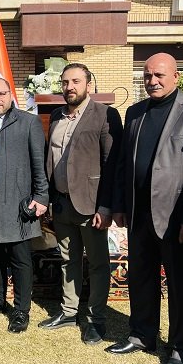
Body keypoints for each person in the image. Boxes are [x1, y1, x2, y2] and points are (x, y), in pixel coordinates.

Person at [107, 53, 183, 364]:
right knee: (141, 279)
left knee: (181, 287)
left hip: (176, 220)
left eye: (159, 75)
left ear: (176, 76)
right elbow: (124, 164)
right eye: (147, 75)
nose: (152, 81)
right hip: (140, 215)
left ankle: (182, 350)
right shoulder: (136, 112)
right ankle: (142, 335)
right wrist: (119, 206)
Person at [39, 63, 122, 345]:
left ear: (89, 84)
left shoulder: (105, 115)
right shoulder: (56, 115)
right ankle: (69, 311)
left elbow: (113, 165)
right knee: (67, 261)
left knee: (98, 264)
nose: (69, 87)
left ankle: (96, 318)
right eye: (65, 82)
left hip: (92, 206)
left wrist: (106, 207)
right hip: (62, 204)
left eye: (75, 81)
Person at [0, 78, 48, 333]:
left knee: (19, 257)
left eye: (1, 94)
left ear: (10, 94)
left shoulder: (28, 122)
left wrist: (41, 197)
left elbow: (39, 164)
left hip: (16, 203)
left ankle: (21, 310)